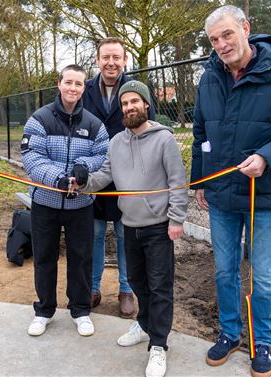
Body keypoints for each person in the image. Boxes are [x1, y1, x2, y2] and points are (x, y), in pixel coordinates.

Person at [191, 6, 271, 377]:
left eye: (227, 34)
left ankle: (261, 341)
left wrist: (266, 157)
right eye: (214, 40)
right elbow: (201, 135)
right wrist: (200, 181)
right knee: (224, 270)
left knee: (262, 274)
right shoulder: (209, 78)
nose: (222, 45)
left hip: (263, 195)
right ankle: (230, 332)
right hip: (222, 196)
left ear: (246, 28)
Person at [78, 81, 188, 377]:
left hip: (159, 227)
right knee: (138, 283)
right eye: (125, 104)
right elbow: (104, 175)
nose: (129, 107)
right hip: (130, 225)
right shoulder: (116, 142)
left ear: (146, 105)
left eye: (134, 102)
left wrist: (177, 219)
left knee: (160, 287)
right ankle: (144, 324)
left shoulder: (164, 139)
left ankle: (159, 345)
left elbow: (178, 181)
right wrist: (82, 181)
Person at [20, 64, 109, 338]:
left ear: (84, 88)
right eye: (68, 82)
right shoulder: (39, 119)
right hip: (46, 203)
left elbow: (104, 154)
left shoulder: (94, 124)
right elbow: (32, 156)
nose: (73, 88)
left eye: (78, 84)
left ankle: (80, 310)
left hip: (80, 205)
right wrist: (58, 178)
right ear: (59, 84)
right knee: (44, 257)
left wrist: (84, 168)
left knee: (81, 258)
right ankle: (44, 310)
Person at [82, 37, 156, 317]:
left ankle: (127, 289)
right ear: (98, 60)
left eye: (116, 57)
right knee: (96, 233)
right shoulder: (86, 89)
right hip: (94, 172)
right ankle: (92, 287)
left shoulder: (136, 90)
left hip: (129, 175)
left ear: (125, 60)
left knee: (126, 234)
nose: (111, 62)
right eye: (105, 57)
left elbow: (148, 129)